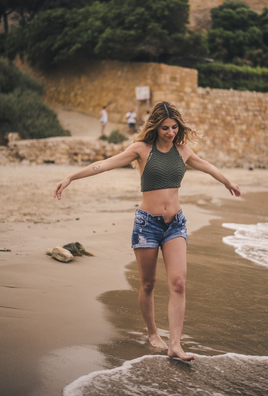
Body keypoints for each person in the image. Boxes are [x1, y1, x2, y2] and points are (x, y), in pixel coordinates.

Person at [54, 101, 241, 361]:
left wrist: (227, 182)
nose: (171, 132)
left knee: (178, 283)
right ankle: (153, 333)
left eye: (175, 127)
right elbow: (105, 164)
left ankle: (175, 343)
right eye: (165, 127)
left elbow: (207, 165)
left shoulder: (183, 151)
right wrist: (71, 177)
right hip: (147, 225)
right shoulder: (141, 149)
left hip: (176, 223)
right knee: (148, 283)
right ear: (155, 126)